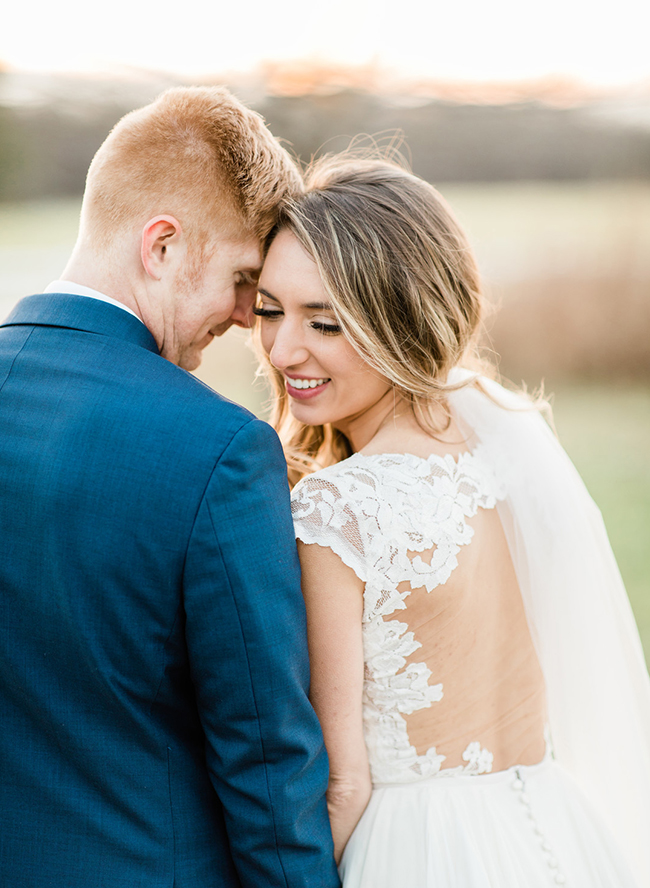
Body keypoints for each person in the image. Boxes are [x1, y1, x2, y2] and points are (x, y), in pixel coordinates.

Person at [254, 155, 650, 887]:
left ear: (397, 321)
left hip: (417, 855)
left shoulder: (339, 507)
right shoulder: (511, 441)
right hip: (553, 833)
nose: (283, 350)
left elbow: (342, 784)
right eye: (270, 310)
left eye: (326, 323)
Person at [0, 87, 340, 888]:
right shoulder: (219, 451)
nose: (241, 315)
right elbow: (267, 766)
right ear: (161, 246)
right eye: (240, 279)